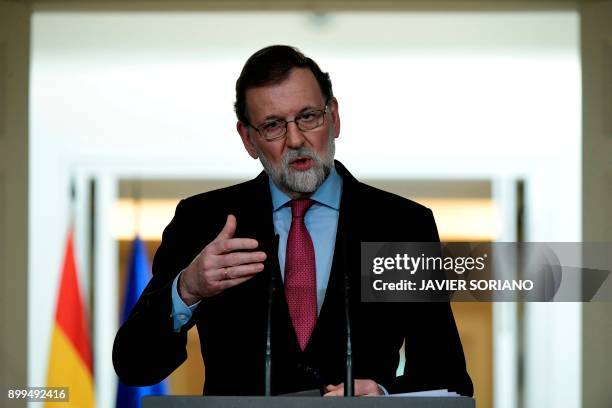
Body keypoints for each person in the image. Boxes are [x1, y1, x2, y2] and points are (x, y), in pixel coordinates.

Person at [113, 45, 473, 397]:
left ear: (333, 117)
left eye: (308, 117)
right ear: (248, 139)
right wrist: (187, 289)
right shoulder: (204, 222)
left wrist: (382, 393)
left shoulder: (399, 226)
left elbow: (448, 378)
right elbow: (135, 366)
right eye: (272, 126)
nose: (296, 139)